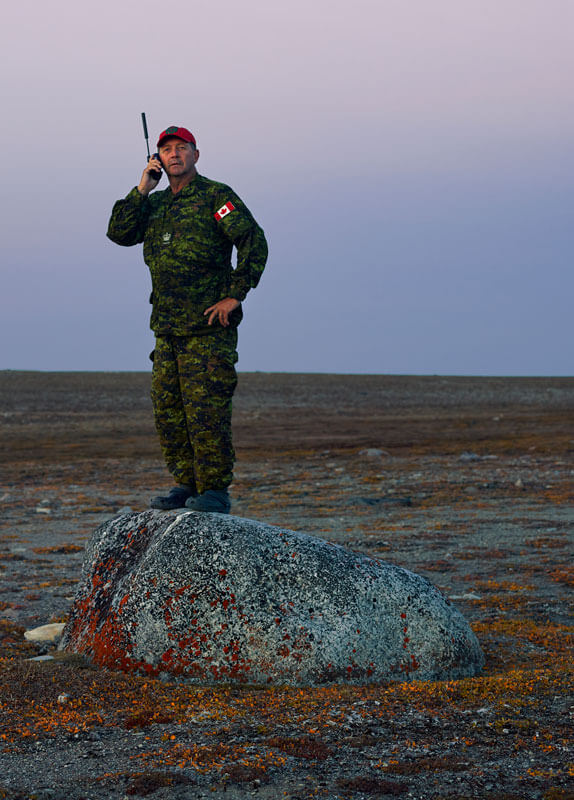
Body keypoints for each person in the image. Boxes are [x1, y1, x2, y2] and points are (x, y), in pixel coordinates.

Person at [107, 125, 268, 514]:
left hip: (208, 329)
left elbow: (253, 240)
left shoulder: (217, 197)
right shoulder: (156, 205)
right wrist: (142, 188)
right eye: (167, 150)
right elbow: (118, 232)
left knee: (206, 411)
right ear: (157, 158)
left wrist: (235, 294)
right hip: (167, 329)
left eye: (182, 148)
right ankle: (187, 484)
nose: (174, 155)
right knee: (170, 410)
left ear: (196, 155)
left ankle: (213, 490)